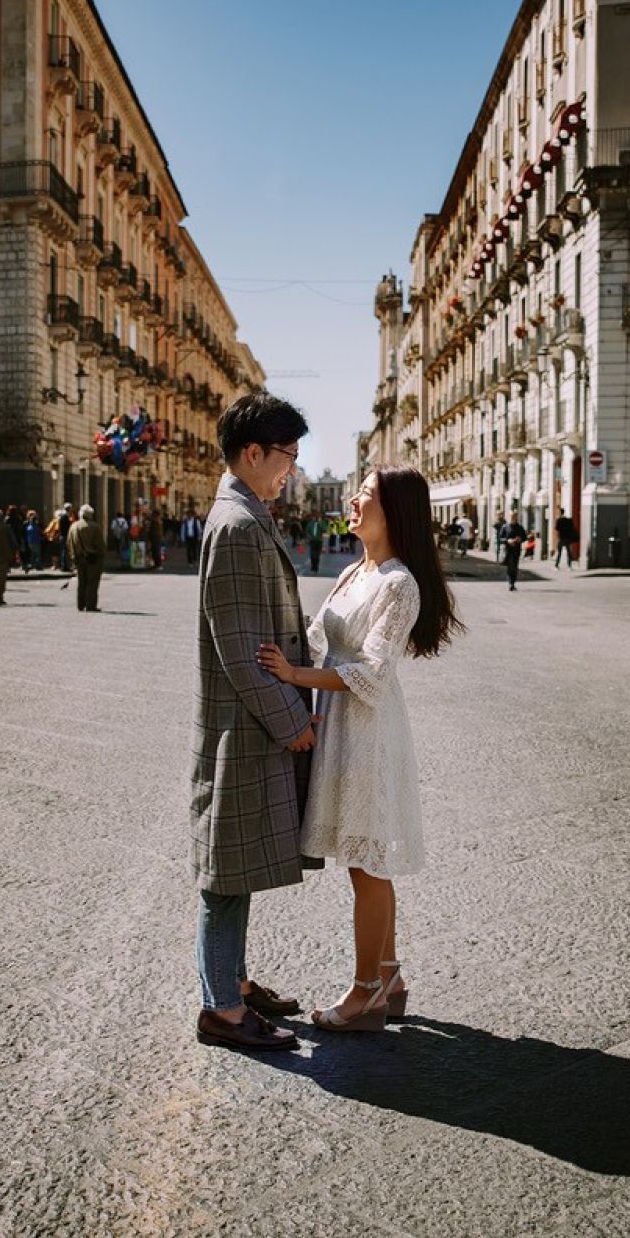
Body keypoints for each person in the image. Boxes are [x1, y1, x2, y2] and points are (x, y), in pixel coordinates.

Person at [256, 466, 460, 1033]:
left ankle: (366, 990)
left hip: (368, 731)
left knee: (367, 864)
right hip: (344, 727)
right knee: (362, 862)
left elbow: (370, 674)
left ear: (393, 512)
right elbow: (317, 634)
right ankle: (388, 974)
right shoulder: (354, 571)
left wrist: (295, 677)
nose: (353, 500)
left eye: (365, 494)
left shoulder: (399, 583)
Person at [189, 392, 316, 1052]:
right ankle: (221, 1008)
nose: (291, 469)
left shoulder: (247, 514)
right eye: (286, 456)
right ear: (253, 452)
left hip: (248, 724)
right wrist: (291, 717)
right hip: (245, 726)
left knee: (235, 865)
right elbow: (240, 647)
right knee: (225, 874)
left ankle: (232, 983)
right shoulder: (237, 524)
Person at [69, 504, 106, 611]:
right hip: (93, 558)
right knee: (92, 582)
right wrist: (101, 555)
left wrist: (73, 557)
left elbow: (69, 543)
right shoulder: (95, 527)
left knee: (81, 582)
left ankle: (80, 604)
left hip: (79, 558)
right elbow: (100, 544)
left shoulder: (73, 526)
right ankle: (90, 605)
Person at [496, 509, 527, 591]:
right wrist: (508, 540)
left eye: (515, 516)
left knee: (515, 567)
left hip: (516, 550)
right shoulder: (505, 527)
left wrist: (520, 539)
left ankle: (513, 582)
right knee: (510, 567)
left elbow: (524, 537)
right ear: (509, 517)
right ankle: (510, 583)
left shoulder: (520, 527)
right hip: (507, 550)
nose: (513, 517)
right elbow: (500, 539)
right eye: (512, 516)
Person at [56, 503, 76, 572]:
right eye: (70, 508)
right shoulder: (64, 516)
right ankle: (64, 566)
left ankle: (64, 566)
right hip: (64, 536)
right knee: (64, 552)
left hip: (63, 535)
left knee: (64, 551)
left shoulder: (64, 516)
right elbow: (65, 527)